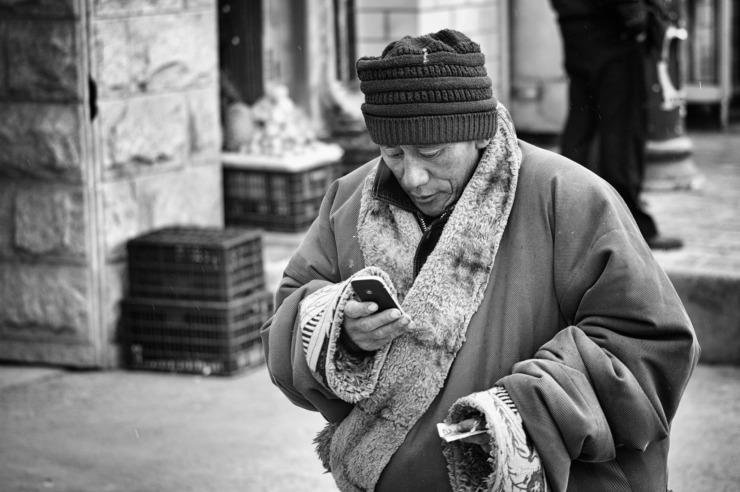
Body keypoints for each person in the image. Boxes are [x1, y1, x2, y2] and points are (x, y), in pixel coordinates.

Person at [261, 28, 700, 491]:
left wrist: (526, 414)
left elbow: (651, 344)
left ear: (477, 134)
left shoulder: (570, 197)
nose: (413, 176)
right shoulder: (350, 201)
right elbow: (284, 323)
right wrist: (339, 333)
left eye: (431, 152)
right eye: (393, 153)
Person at [548, 0, 684, 250]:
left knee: (582, 125)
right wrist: (636, 18)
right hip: (614, 26)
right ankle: (628, 227)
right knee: (622, 130)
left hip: (574, 22)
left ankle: (567, 221)